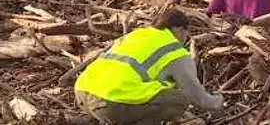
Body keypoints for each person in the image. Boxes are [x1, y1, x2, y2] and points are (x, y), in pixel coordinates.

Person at [74, 10, 224, 125]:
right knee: (179, 100)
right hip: (110, 103)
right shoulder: (174, 51)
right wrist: (218, 102)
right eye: (186, 34)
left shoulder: (137, 35)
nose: (185, 40)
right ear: (179, 29)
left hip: (83, 94)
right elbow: (196, 96)